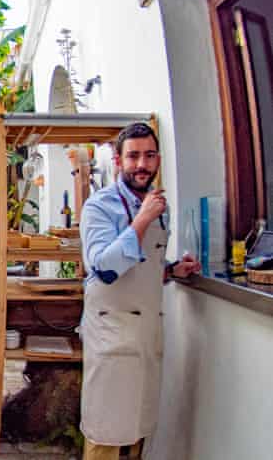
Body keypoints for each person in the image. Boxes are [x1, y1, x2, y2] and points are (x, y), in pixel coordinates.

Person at [79, 123, 200, 460]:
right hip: (112, 333)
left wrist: (172, 269)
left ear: (158, 159)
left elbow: (141, 267)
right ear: (118, 161)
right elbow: (103, 267)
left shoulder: (160, 207)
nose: (141, 165)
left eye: (148, 156)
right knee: (106, 431)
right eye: (133, 156)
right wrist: (142, 219)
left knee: (137, 430)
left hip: (146, 335)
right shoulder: (99, 207)